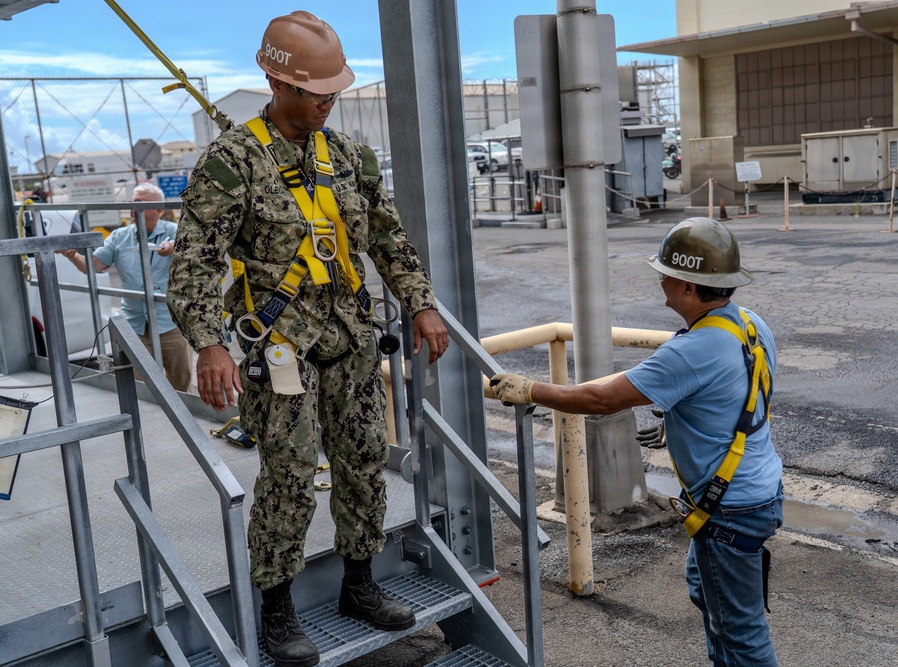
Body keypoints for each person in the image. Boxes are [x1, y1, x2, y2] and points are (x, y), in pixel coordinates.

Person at [166, 11, 449, 667]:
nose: (327, 102)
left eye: (332, 92)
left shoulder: (348, 157)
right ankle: (278, 610)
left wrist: (420, 302)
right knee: (290, 478)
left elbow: (387, 235)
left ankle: (359, 584)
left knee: (363, 464)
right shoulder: (231, 163)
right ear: (276, 80)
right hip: (281, 344)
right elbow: (195, 262)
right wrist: (209, 342)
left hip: (350, 336)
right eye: (315, 92)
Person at [491, 217, 784, 667]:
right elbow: (741, 391)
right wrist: (676, 413)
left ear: (688, 286)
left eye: (665, 273)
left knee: (740, 630)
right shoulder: (747, 323)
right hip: (756, 489)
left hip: (731, 509)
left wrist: (530, 390)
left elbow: (601, 399)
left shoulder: (692, 350)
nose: (660, 279)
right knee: (705, 589)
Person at [60, 182, 192, 392]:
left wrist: (174, 248)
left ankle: (182, 422)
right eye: (132, 202)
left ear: (159, 209)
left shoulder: (174, 232)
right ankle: (148, 423)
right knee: (137, 384)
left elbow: (191, 250)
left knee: (180, 381)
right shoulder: (120, 236)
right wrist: (72, 255)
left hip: (170, 321)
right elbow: (92, 266)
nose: (133, 208)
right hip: (135, 324)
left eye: (140, 203)